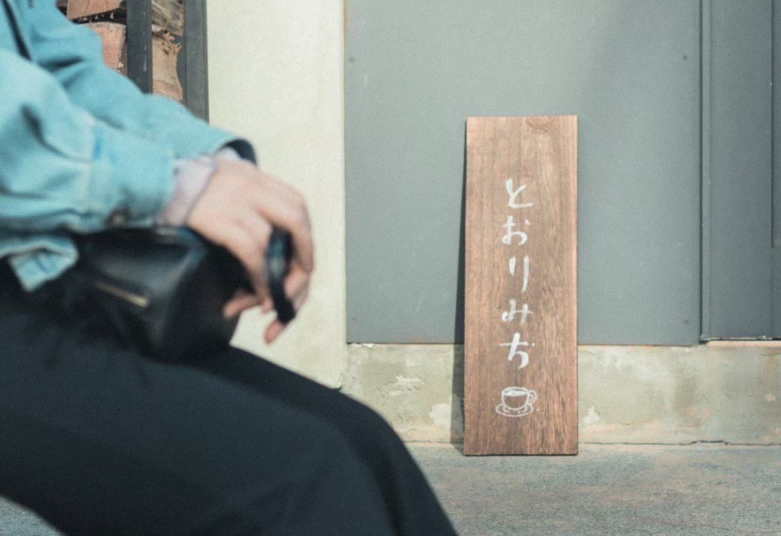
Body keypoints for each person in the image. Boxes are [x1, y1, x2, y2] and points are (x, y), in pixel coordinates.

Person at [0, 1, 459, 534]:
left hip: (36, 276)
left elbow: (68, 71)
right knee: (306, 481)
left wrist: (216, 166)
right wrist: (168, 185)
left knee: (363, 443)